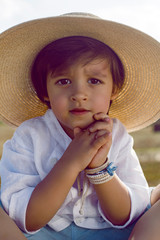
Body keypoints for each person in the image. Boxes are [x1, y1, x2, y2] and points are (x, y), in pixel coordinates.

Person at [0, 13, 160, 240]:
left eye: (94, 81)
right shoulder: (30, 135)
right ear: (45, 92)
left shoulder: (117, 134)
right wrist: (72, 161)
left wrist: (98, 167)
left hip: (111, 234)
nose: (79, 94)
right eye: (63, 81)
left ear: (113, 89)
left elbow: (124, 215)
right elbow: (28, 218)